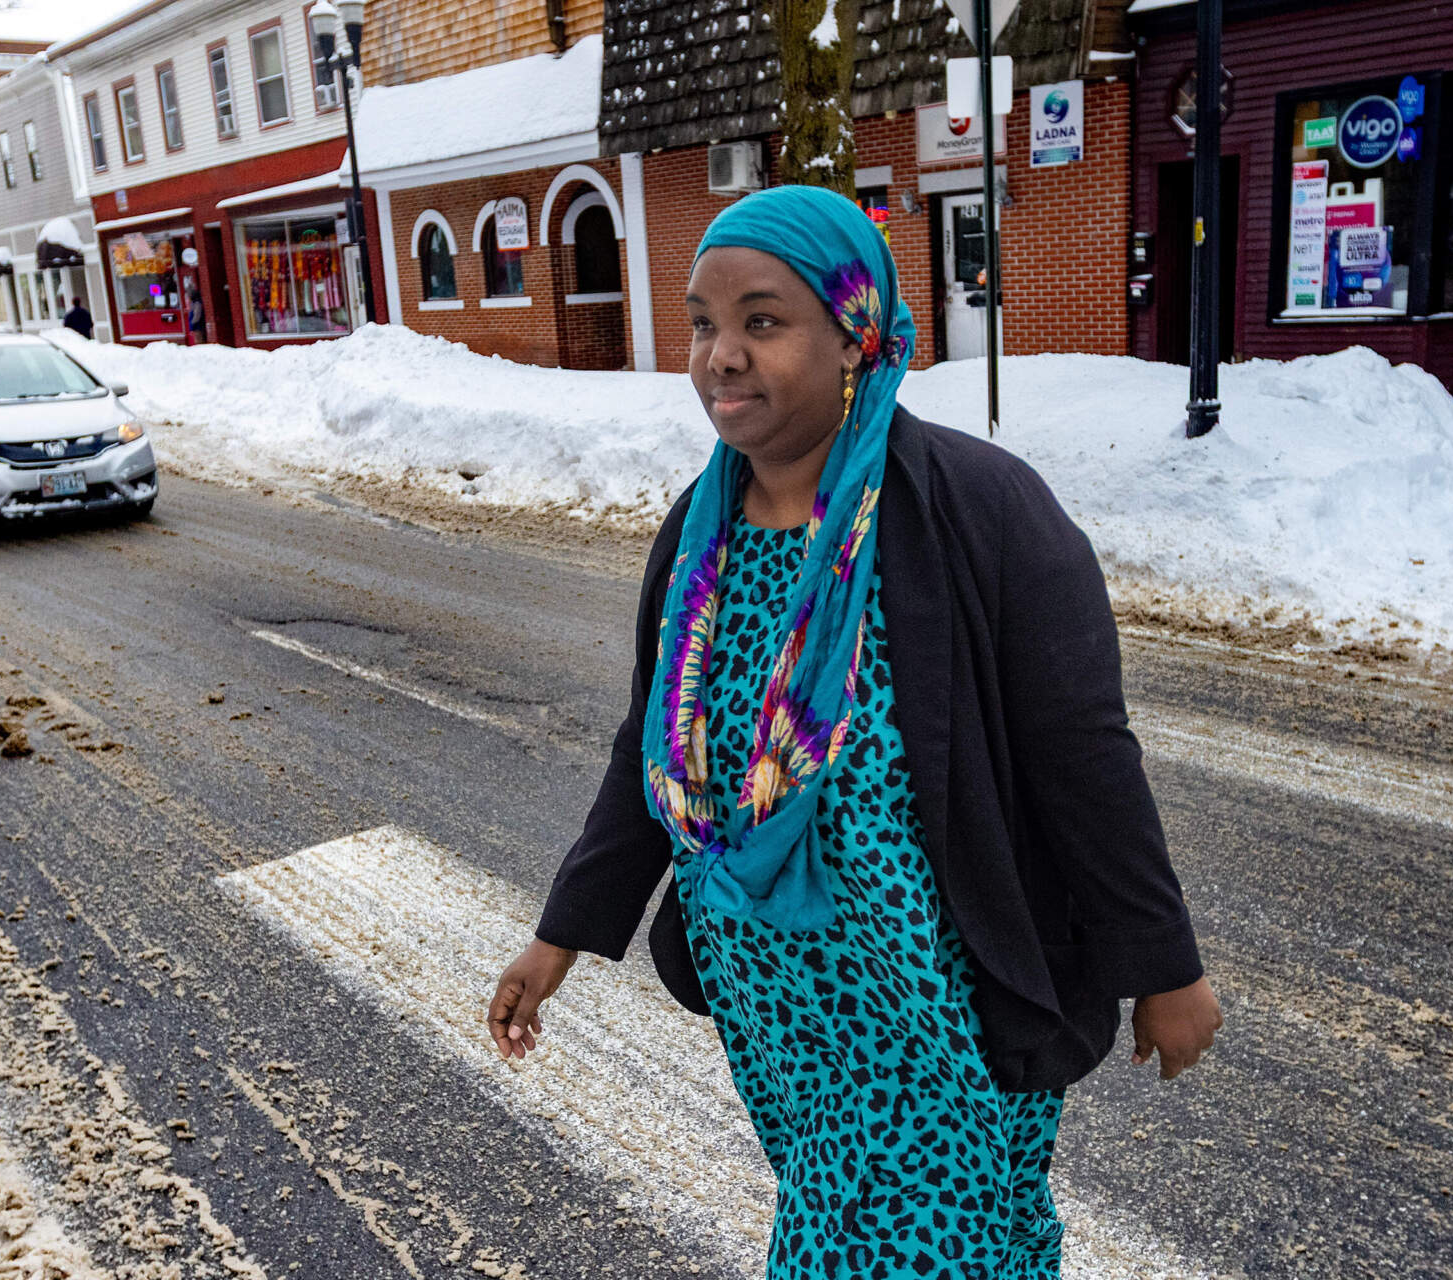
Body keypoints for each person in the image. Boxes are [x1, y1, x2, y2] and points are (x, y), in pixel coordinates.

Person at [487, 185, 1221, 1278]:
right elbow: (654, 747)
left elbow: (1083, 749)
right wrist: (564, 932)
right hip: (781, 1016)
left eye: (763, 321)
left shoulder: (981, 510)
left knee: (938, 1242)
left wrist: (1162, 963)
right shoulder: (699, 536)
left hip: (941, 1008)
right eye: (702, 322)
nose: (720, 354)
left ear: (853, 335)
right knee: (854, 1224)